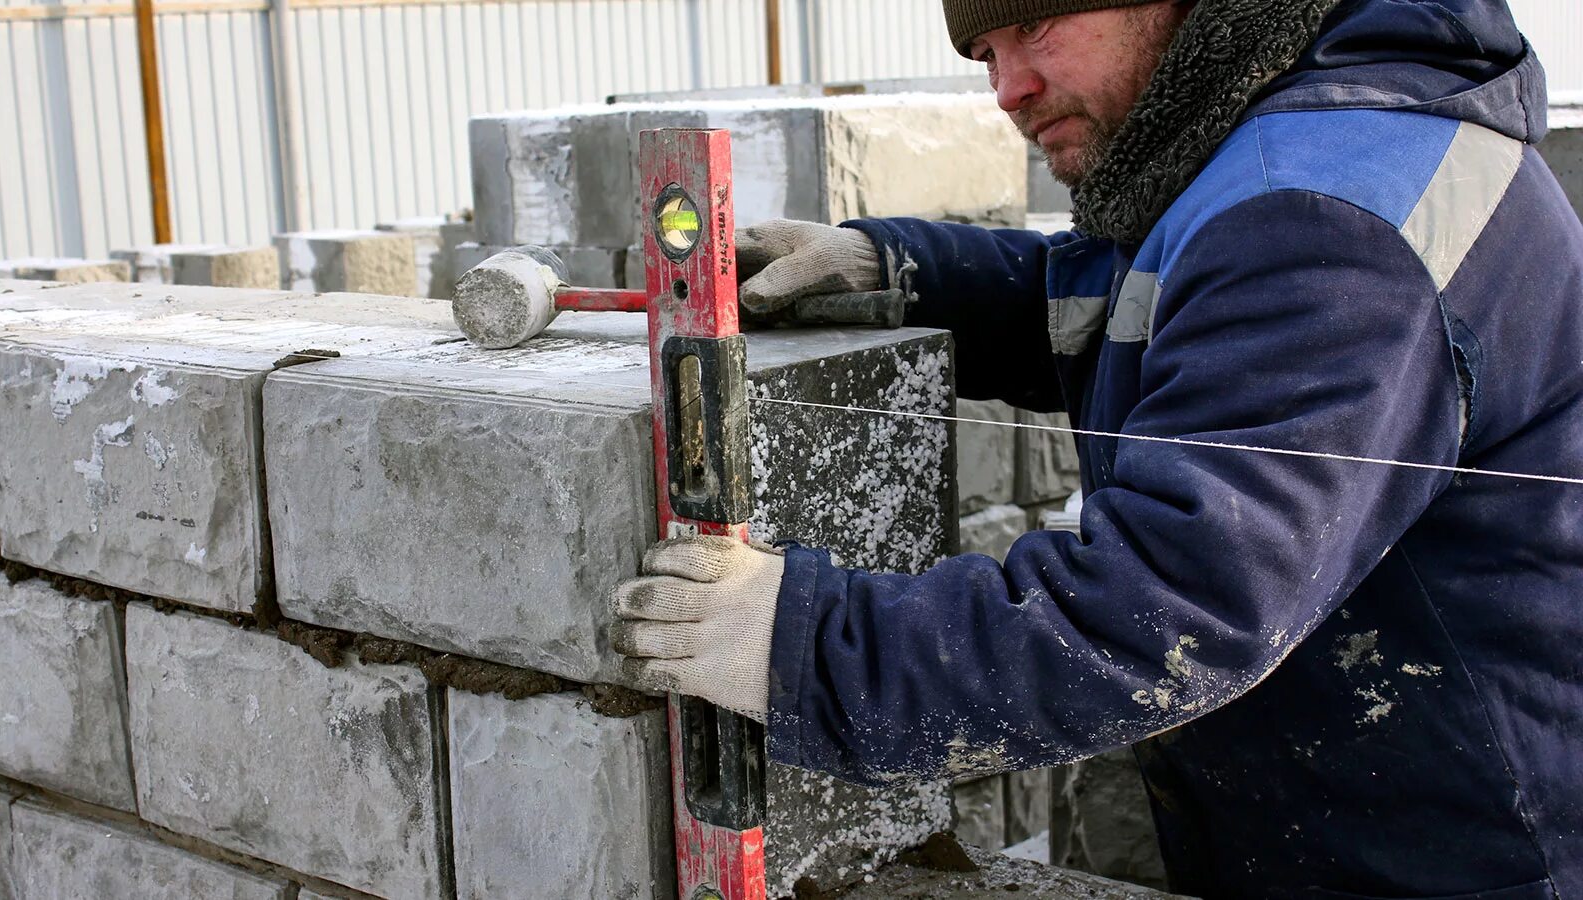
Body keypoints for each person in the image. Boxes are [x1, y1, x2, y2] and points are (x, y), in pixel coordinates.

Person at [611, 0, 1583, 894]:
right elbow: (1151, 314)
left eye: (1036, 23)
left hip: (1456, 859)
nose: (1008, 88)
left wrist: (800, 645)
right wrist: (896, 272)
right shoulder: (1279, 143)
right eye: (986, 52)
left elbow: (1161, 609)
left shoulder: (1318, 218)